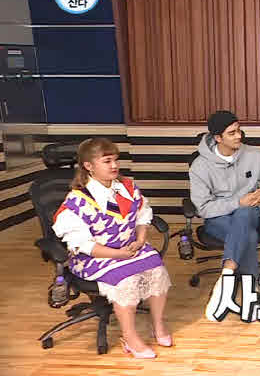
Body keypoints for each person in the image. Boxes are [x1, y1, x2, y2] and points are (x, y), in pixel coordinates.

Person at [53, 138, 172, 359]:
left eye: (115, 160)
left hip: (130, 248)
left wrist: (141, 239)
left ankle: (158, 325)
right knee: (126, 280)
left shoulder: (126, 187)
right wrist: (118, 254)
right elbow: (83, 245)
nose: (114, 165)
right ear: (89, 166)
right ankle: (130, 338)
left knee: (157, 269)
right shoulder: (77, 200)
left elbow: (143, 215)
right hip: (95, 257)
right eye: (107, 161)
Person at [189, 110, 260, 321]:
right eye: (232, 133)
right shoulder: (200, 166)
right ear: (218, 138)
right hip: (218, 219)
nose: (239, 136)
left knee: (245, 214)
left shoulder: (253, 155)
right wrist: (237, 202)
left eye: (239, 130)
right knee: (247, 234)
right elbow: (203, 208)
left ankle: (227, 274)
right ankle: (253, 289)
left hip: (250, 213)